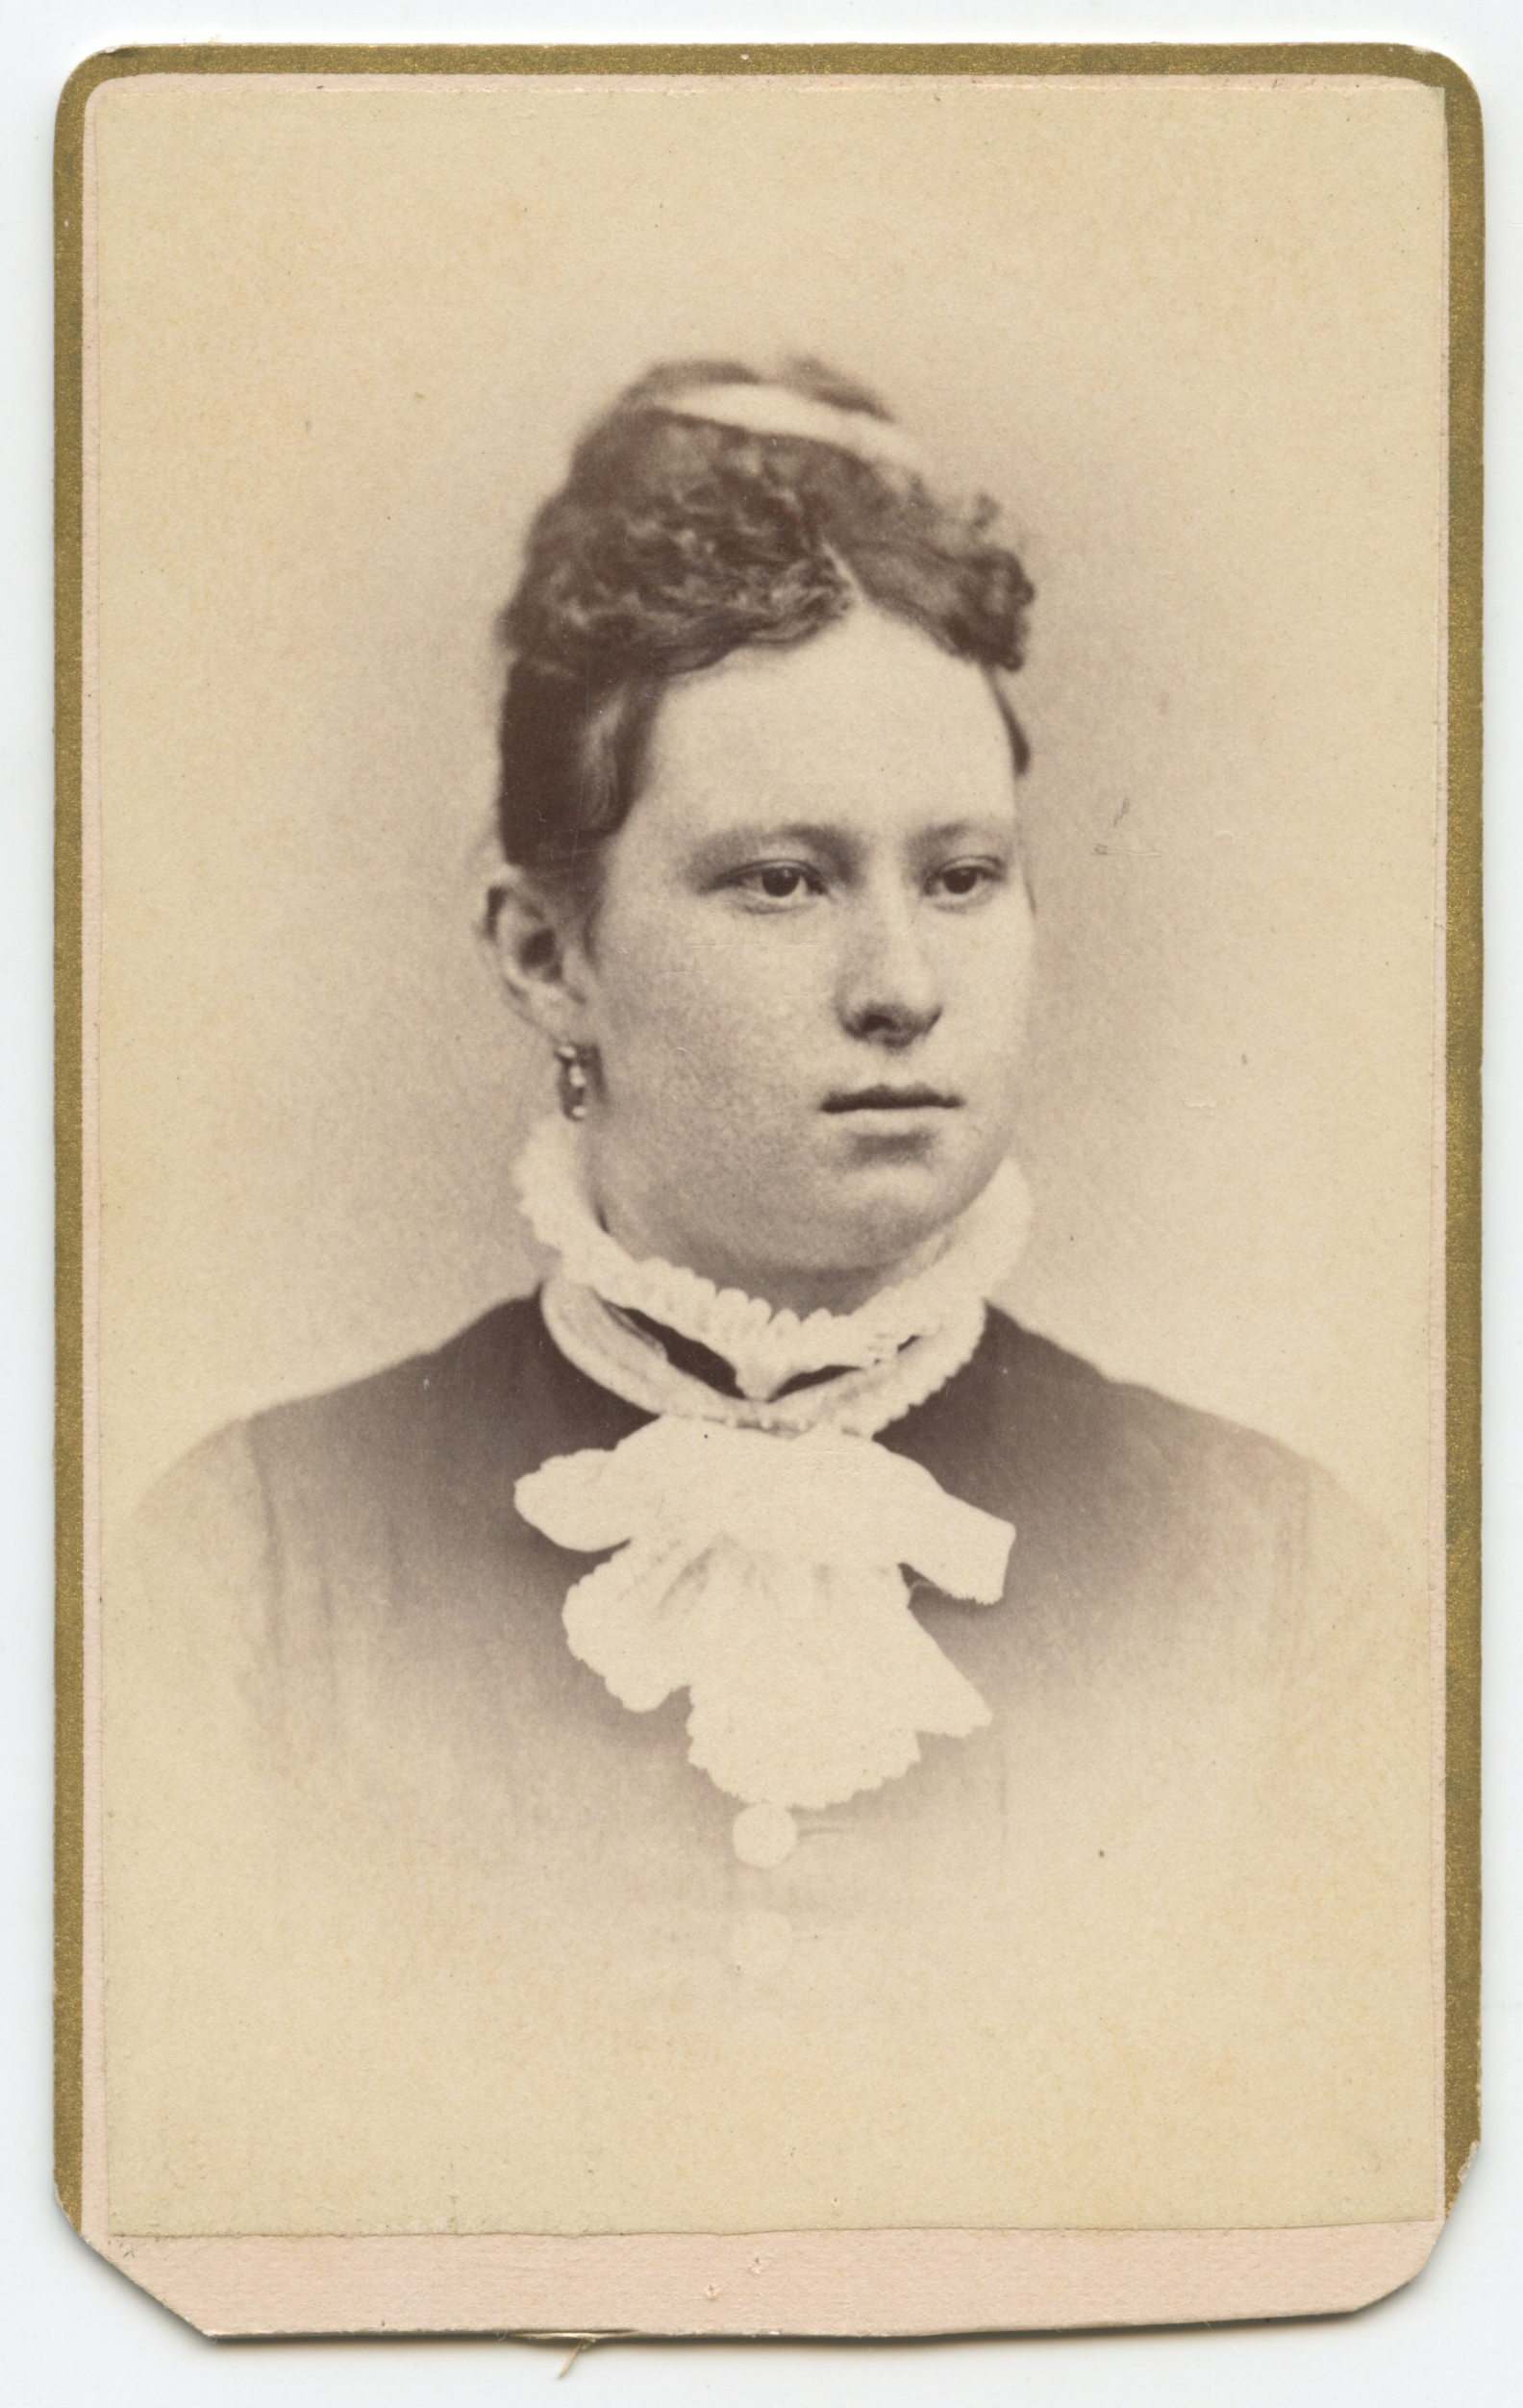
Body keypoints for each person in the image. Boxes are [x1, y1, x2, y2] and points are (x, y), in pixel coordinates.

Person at [113, 359, 1436, 2239]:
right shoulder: (248, 1570)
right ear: (547, 954)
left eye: (961, 877)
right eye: (783, 882)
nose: (901, 983)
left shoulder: (1280, 1579)